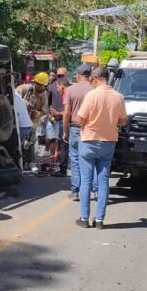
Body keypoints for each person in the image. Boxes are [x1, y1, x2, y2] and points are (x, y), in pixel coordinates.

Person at [74, 67, 126, 229]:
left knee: (86, 181)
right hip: (108, 142)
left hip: (89, 141)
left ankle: (84, 218)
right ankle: (100, 220)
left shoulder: (92, 95)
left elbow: (80, 118)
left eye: (92, 82)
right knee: (103, 181)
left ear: (96, 79)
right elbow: (123, 121)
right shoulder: (119, 97)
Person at [62, 64, 94, 201]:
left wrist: (65, 131)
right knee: (90, 159)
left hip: (75, 127)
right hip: (91, 128)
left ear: (78, 75)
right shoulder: (95, 90)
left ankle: (75, 191)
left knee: (75, 159)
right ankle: (93, 189)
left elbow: (66, 113)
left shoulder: (70, 90)